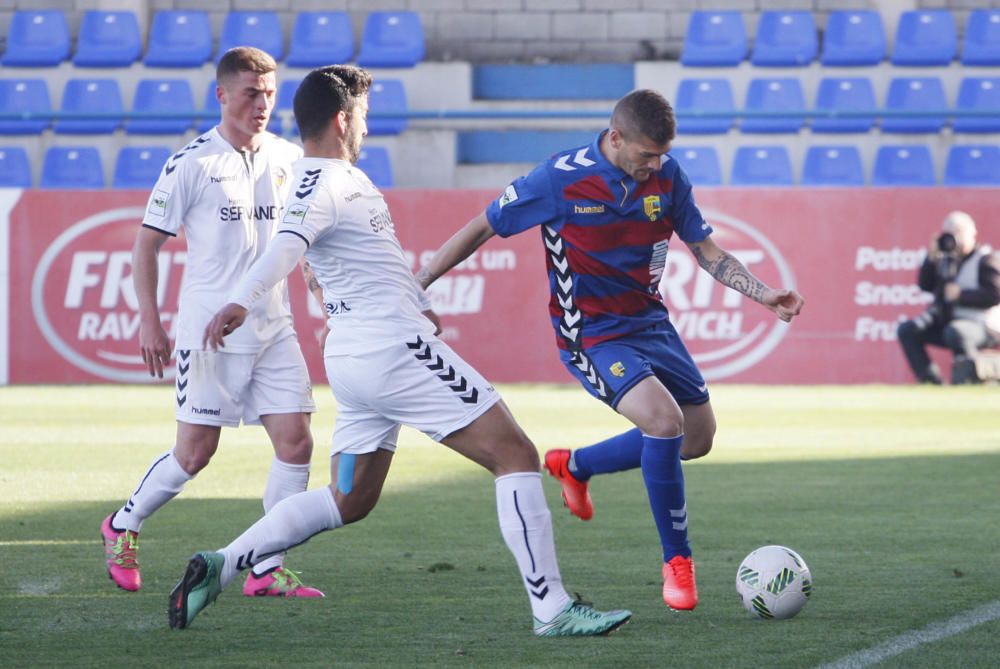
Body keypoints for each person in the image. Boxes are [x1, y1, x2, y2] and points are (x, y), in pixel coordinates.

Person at [167, 64, 632, 638]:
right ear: (342, 119)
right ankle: (552, 607)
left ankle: (222, 562)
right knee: (515, 454)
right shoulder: (327, 183)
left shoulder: (325, 178)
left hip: (360, 357)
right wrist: (241, 300)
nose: (367, 125)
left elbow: (352, 261)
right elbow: (286, 249)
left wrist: (412, 300)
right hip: (392, 351)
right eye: (362, 114)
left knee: (349, 497)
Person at [415, 89, 805, 612]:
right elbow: (485, 224)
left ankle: (576, 466)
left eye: (662, 154)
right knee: (664, 423)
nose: (656, 164)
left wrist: (763, 294)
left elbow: (706, 249)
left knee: (699, 438)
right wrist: (419, 284)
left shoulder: (668, 176)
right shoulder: (559, 179)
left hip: (650, 323)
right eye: (647, 154)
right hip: (592, 333)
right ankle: (677, 563)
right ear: (616, 138)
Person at [101, 46, 325, 599]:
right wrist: (150, 323)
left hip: (275, 327)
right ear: (221, 95)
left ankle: (267, 567)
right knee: (196, 454)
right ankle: (123, 523)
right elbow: (146, 245)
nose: (263, 104)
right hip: (207, 334)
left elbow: (305, 238)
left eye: (270, 93)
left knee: (296, 444)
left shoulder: (290, 158)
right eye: (251, 93)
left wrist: (319, 283)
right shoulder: (191, 163)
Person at [897, 211, 1000, 385]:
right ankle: (932, 382)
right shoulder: (944, 260)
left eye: (959, 231)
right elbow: (925, 285)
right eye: (950, 232)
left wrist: (961, 295)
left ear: (972, 233)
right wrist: (931, 258)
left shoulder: (986, 259)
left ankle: (975, 377)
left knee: (956, 331)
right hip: (949, 324)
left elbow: (995, 294)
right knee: (907, 330)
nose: (955, 237)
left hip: (984, 326)